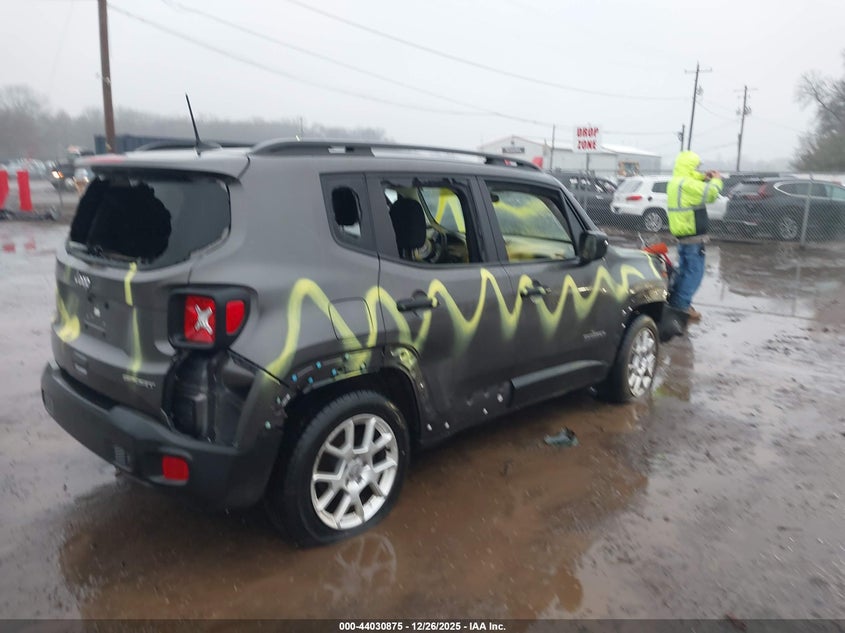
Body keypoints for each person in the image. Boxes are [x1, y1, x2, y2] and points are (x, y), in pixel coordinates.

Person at [666, 150, 722, 321]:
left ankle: (677, 302)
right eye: (696, 167)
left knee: (683, 271)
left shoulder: (676, 182)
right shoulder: (687, 185)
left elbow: (692, 181)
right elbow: (711, 193)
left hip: (684, 236)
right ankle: (681, 307)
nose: (698, 169)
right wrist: (716, 179)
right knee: (694, 273)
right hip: (693, 237)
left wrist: (702, 177)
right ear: (689, 166)